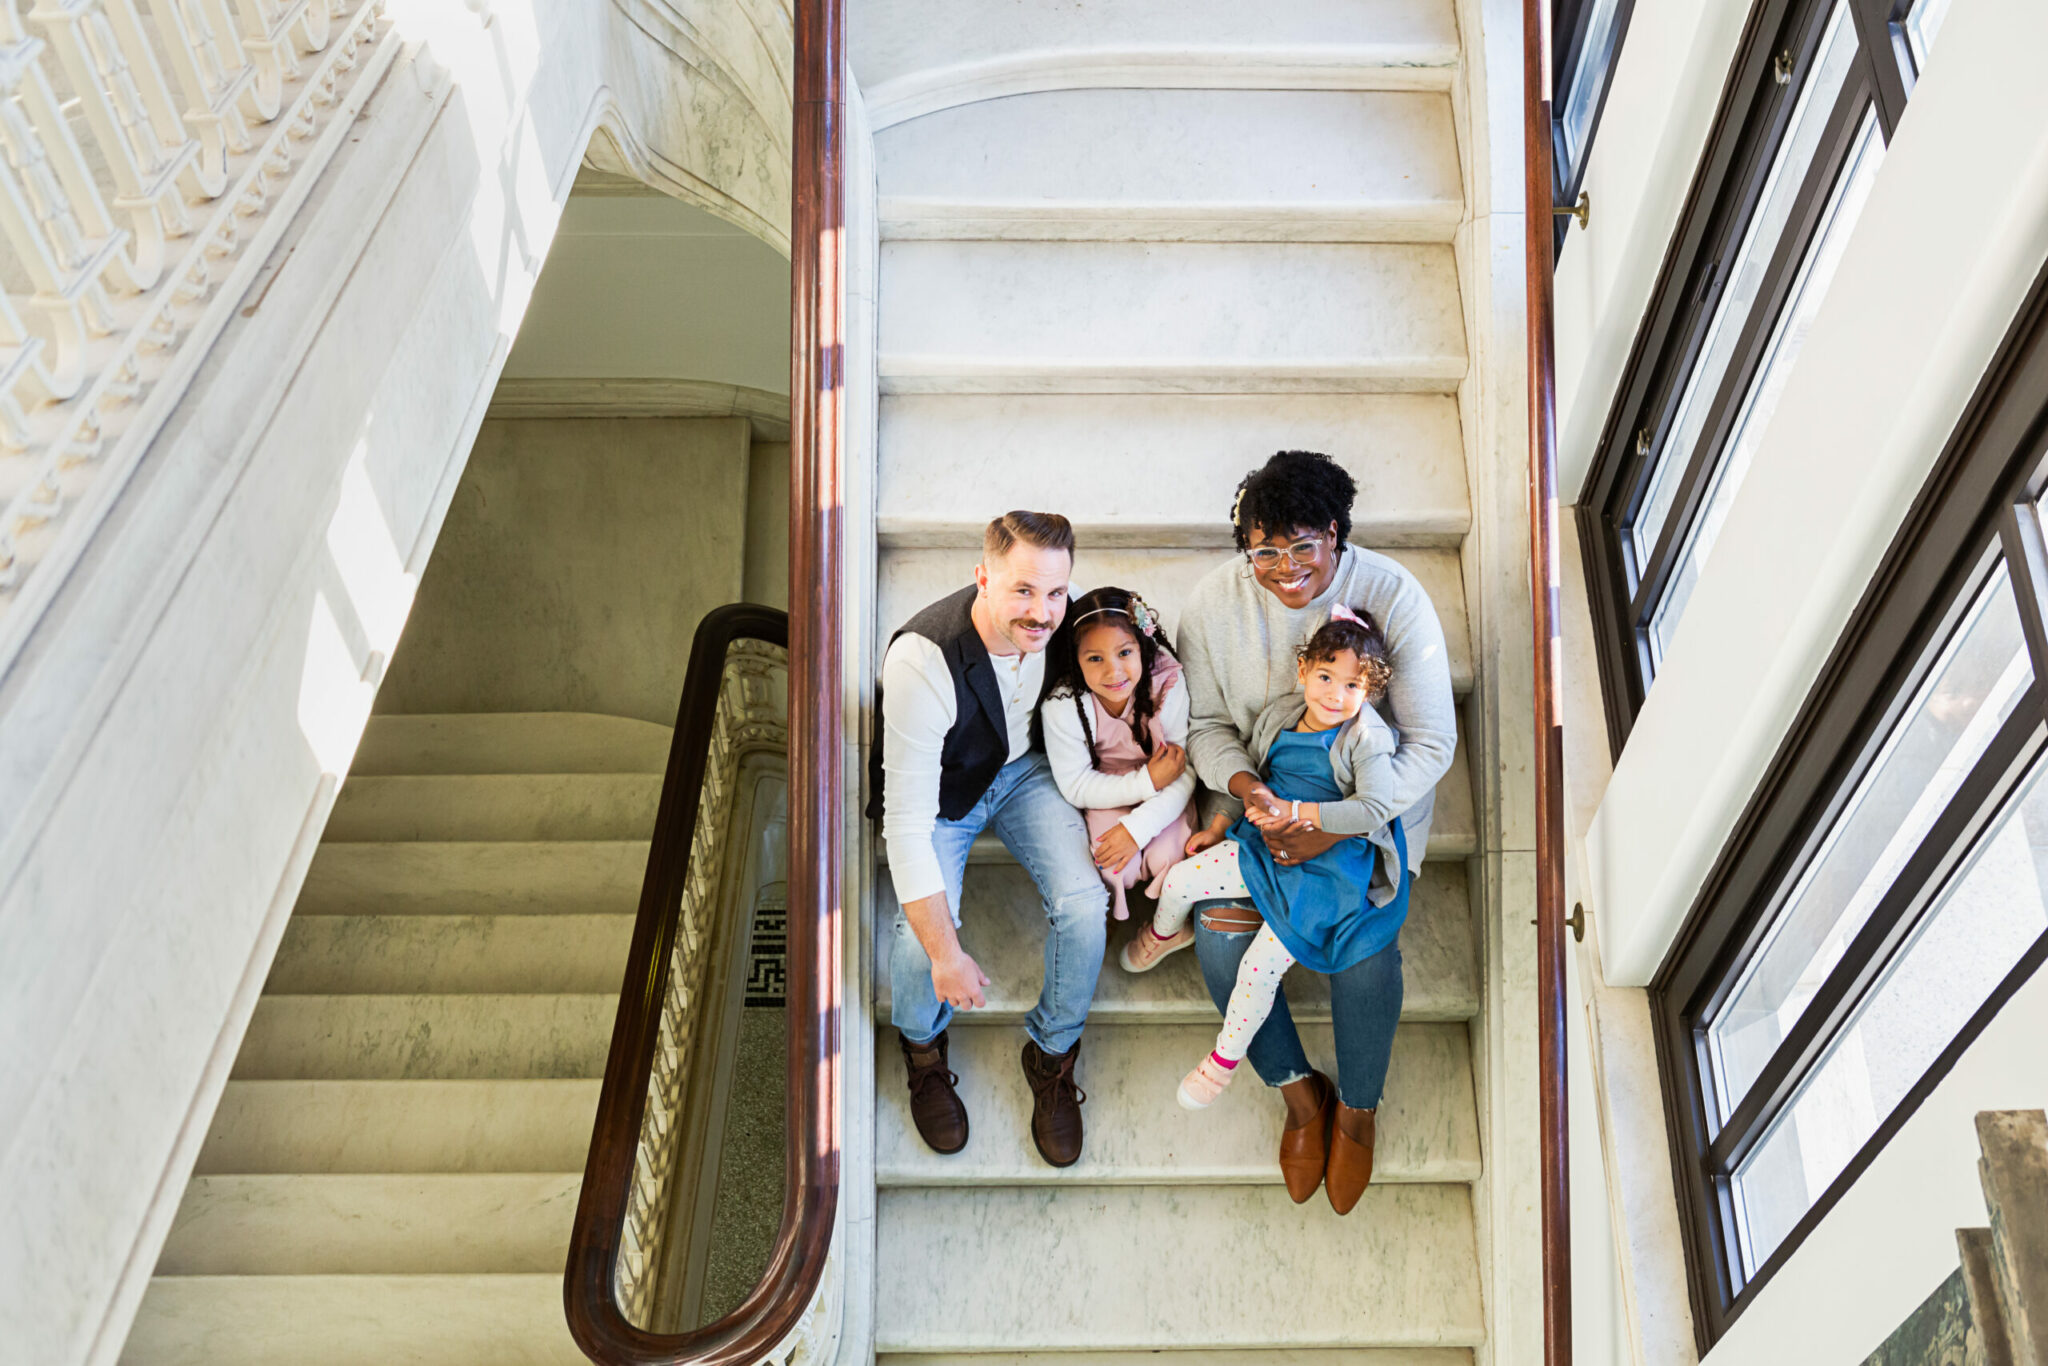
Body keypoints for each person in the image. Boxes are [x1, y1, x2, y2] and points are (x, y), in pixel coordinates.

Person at [1176, 450, 1458, 1211]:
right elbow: (1205, 726)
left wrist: (1331, 830)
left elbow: (1431, 745)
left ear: (1336, 535)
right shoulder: (1210, 607)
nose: (1286, 568)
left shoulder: (1393, 596)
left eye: (1304, 547)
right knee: (1221, 937)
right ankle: (1301, 1095)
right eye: (1265, 551)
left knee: (1363, 950)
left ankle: (1358, 1110)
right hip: (1260, 808)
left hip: (1368, 816)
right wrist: (1251, 794)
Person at [870, 510, 1108, 1168]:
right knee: (920, 951)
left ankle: (1052, 1052)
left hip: (1028, 771)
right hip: (946, 793)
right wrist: (947, 951)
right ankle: (922, 1048)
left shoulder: (1066, 623)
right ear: (983, 577)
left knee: (1086, 905)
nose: (1043, 612)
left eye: (1056, 592)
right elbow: (906, 826)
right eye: (1024, 590)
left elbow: (1138, 668)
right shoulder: (924, 660)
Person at [1150, 615, 1409, 1142]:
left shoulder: (1365, 738)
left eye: (1354, 685)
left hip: (1325, 873)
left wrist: (1300, 812)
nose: (1336, 696)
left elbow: (1375, 807)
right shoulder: (1282, 716)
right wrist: (1221, 822)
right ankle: (1161, 935)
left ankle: (1222, 1062)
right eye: (1326, 678)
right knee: (1179, 881)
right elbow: (1251, 772)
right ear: (1303, 670)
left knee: (1257, 967)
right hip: (1263, 845)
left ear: (1372, 690)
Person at [1039, 587, 1198, 924]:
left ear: (1141, 647)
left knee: (1171, 855)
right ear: (1076, 660)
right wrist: (1145, 783)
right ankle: (1108, 920)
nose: (1113, 672)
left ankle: (1170, 926)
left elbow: (1182, 769)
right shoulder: (1064, 704)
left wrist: (1139, 827)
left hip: (1169, 784)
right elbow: (1077, 785)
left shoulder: (1166, 683)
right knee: (1113, 863)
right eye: (1095, 658)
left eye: (1124, 652)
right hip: (1107, 787)